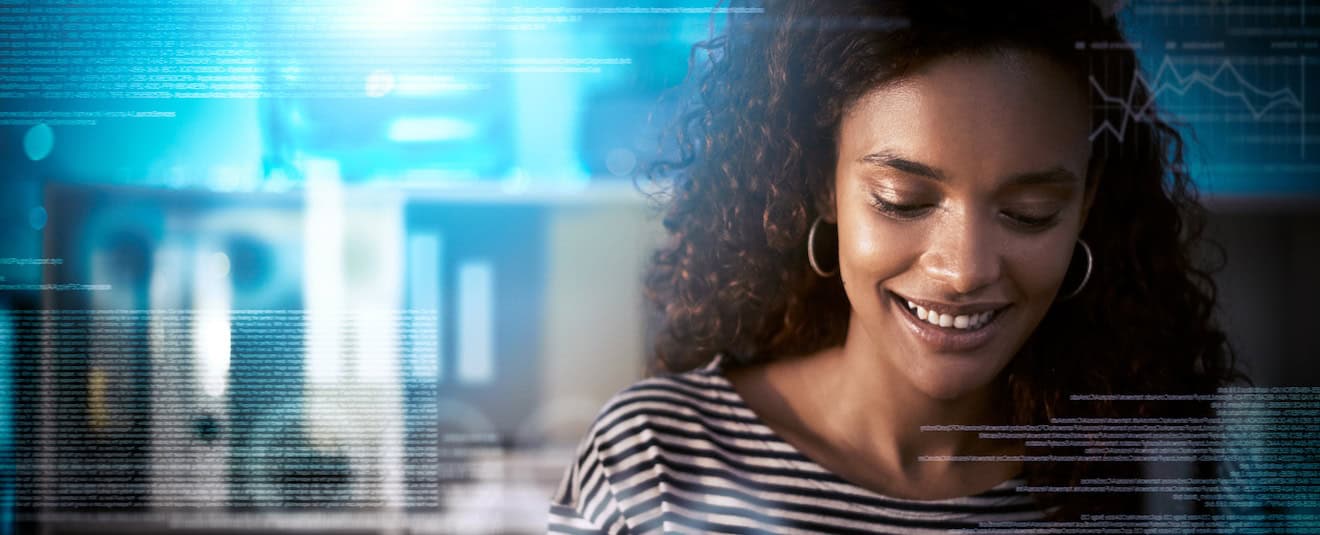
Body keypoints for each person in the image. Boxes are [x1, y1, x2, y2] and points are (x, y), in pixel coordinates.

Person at [549, 0, 1244, 532]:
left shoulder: (1147, 484)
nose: (964, 269)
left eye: (1030, 212)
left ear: (1085, 205)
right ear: (823, 184)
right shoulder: (656, 461)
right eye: (903, 201)